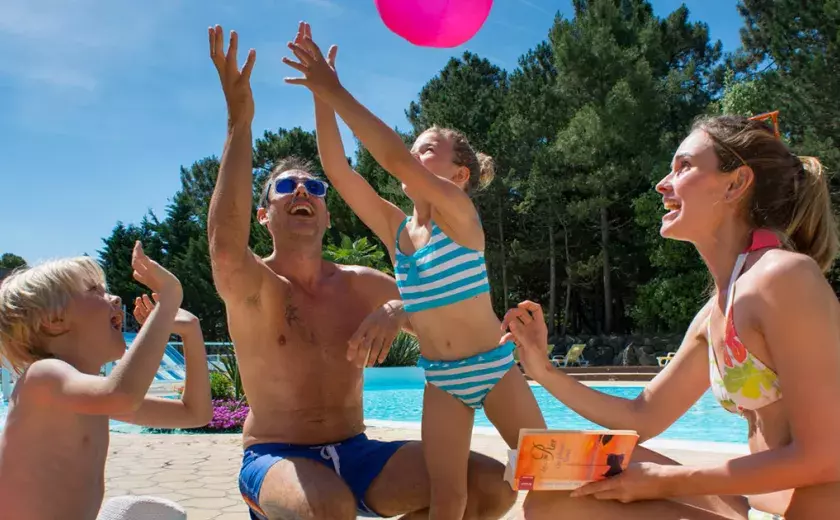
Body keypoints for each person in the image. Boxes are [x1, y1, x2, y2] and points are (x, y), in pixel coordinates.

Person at [205, 25, 517, 520]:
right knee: (330, 507)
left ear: (329, 215)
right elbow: (224, 248)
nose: (304, 191)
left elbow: (433, 318)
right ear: (263, 215)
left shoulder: (363, 283)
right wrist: (239, 124)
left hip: (357, 451)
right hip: (277, 455)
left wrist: (396, 309)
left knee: (490, 487)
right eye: (286, 186)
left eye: (314, 189)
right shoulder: (254, 287)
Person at [503, 113, 840, 519]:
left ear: (736, 183)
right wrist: (543, 370)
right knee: (562, 487)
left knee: (560, 505)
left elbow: (827, 456)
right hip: (764, 505)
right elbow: (640, 416)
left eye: (684, 167)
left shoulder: (783, 277)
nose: (663, 184)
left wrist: (666, 479)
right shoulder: (720, 307)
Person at [281, 21, 547, 518]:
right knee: (448, 498)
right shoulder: (398, 229)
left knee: (548, 478)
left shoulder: (461, 218)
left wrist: (337, 89)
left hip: (492, 369)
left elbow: (393, 158)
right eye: (416, 146)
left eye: (427, 150)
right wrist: (322, 94)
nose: (414, 155)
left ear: (458, 175)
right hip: (442, 379)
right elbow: (338, 169)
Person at [0, 242, 213, 520]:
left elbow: (195, 413)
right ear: (54, 320)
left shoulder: (88, 397)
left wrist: (190, 330)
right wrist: (169, 297)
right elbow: (122, 394)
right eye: (94, 291)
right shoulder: (43, 378)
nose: (114, 299)